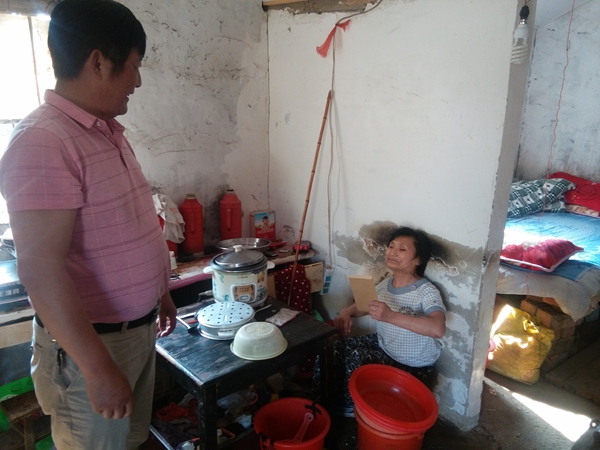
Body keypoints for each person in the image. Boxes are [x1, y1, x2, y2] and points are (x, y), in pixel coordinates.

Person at [0, 1, 177, 448]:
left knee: (131, 441)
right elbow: (41, 269)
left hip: (134, 332)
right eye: (134, 66)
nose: (137, 81)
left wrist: (159, 294)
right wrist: (97, 369)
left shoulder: (104, 131)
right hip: (93, 349)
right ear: (98, 62)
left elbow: (126, 226)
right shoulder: (43, 141)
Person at [328, 226, 446, 415]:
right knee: (332, 347)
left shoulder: (426, 291)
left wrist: (390, 316)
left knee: (356, 357)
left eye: (402, 249)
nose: (393, 252)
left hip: (413, 364)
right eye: (391, 246)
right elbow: (366, 305)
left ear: (418, 260)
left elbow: (437, 328)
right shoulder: (385, 285)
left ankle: (351, 409)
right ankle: (324, 398)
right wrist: (346, 312)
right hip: (385, 347)